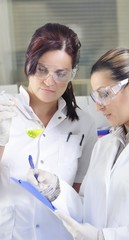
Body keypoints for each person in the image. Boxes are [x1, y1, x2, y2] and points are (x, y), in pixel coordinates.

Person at [28, 47, 129, 240]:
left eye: (104, 94)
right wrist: (56, 189)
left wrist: (103, 237)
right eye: (95, 97)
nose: (98, 106)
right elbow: (87, 206)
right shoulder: (105, 145)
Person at [0, 23, 97, 240]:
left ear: (72, 74)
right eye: (42, 69)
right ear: (29, 64)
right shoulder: (3, 114)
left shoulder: (84, 125)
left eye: (61, 73)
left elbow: (82, 199)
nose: (49, 81)